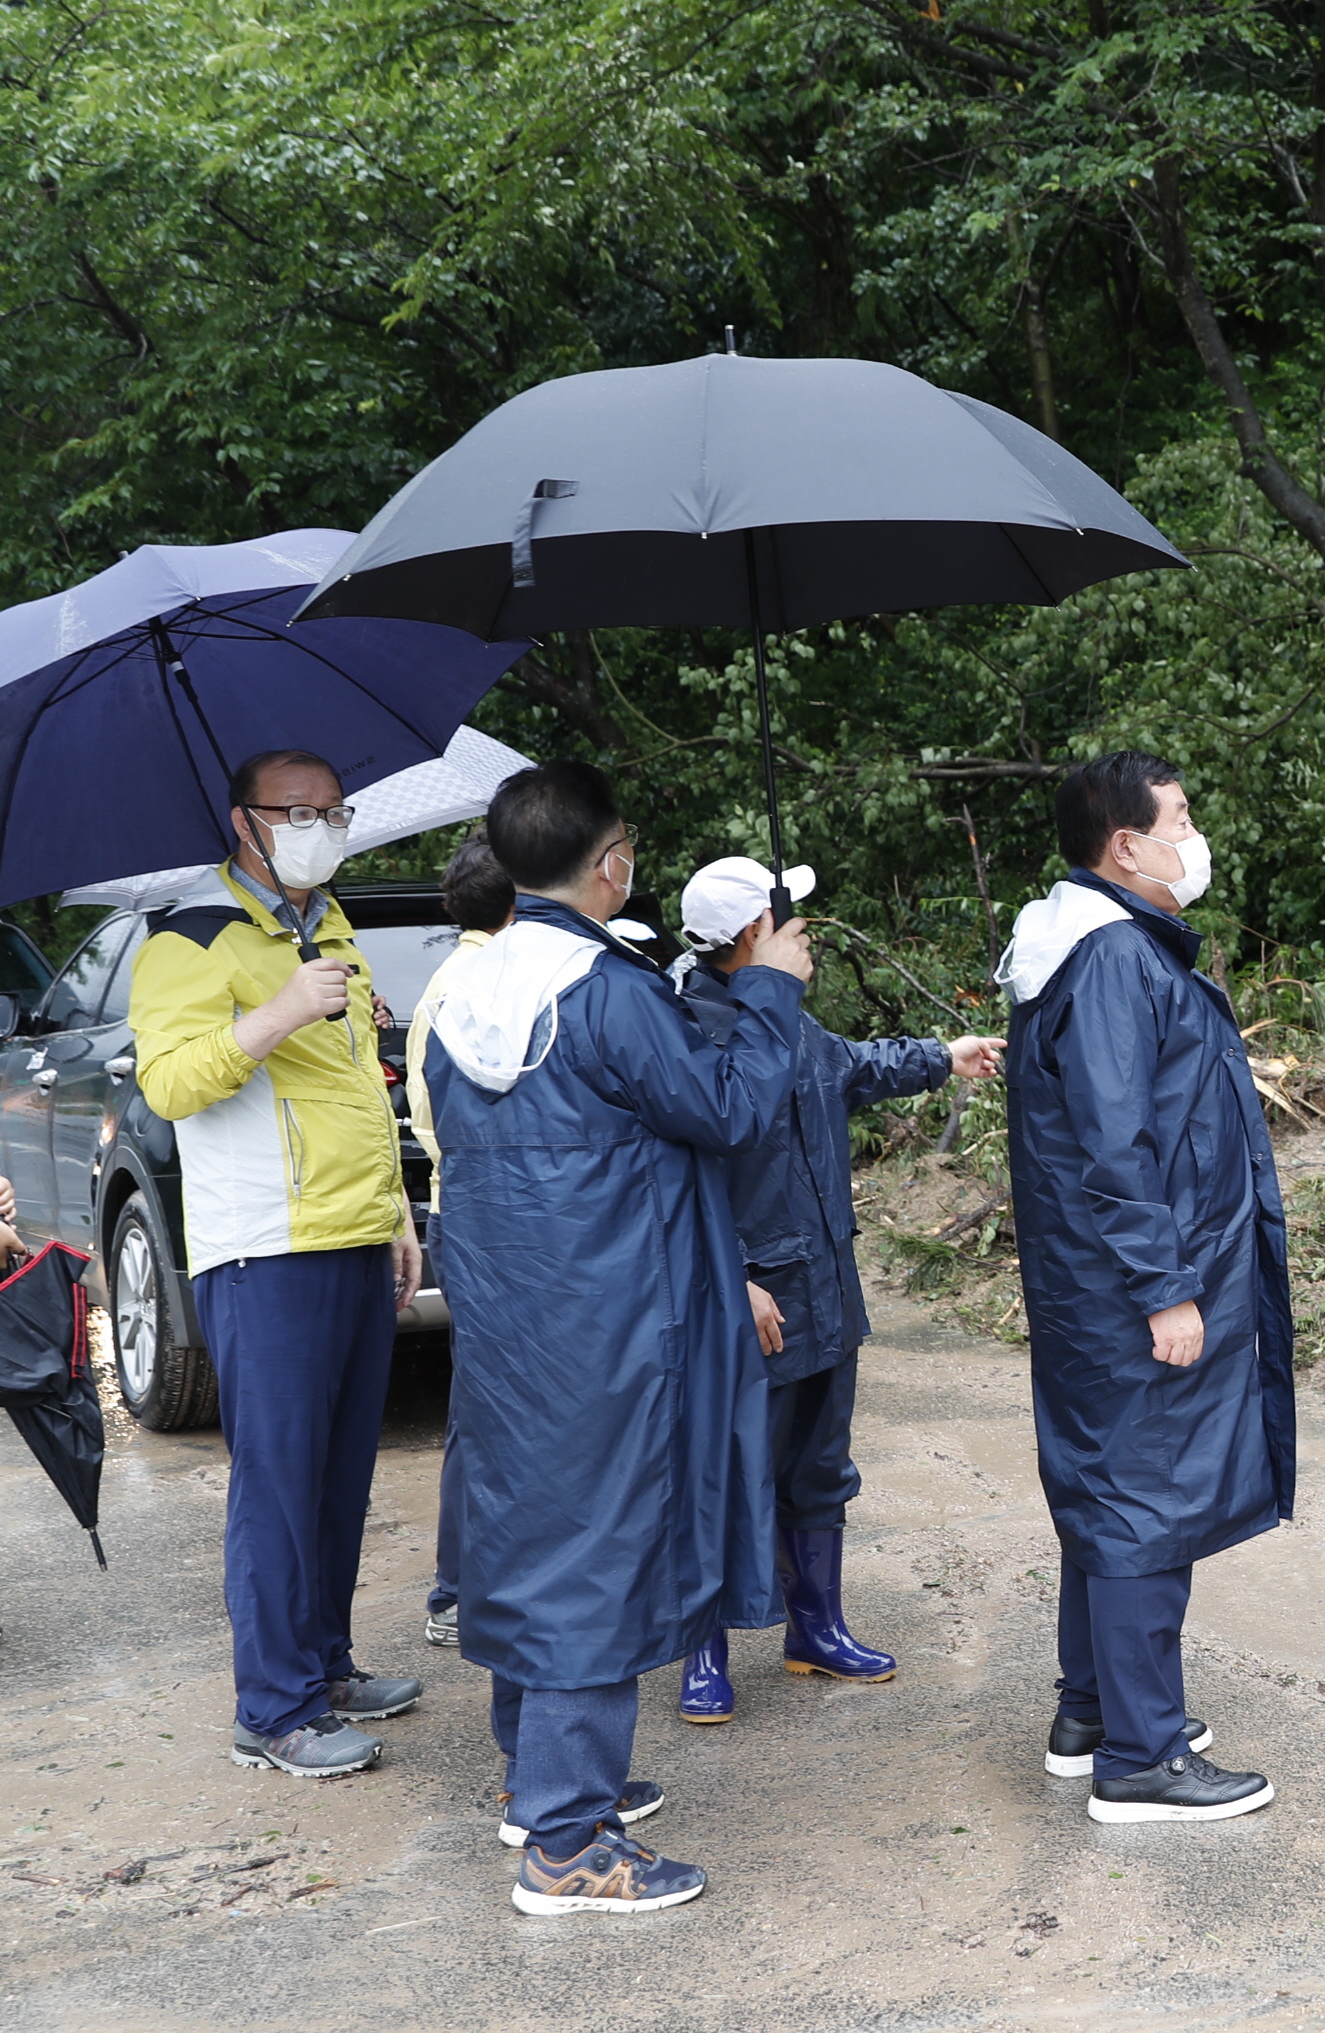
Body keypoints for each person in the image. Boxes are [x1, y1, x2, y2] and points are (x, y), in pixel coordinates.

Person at [421, 762, 809, 1916]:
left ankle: (534, 1780)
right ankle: (567, 1842)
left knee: (533, 1535)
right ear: (611, 863)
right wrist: (772, 987)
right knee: (597, 1556)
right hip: (616, 1319)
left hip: (515, 1319)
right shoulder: (604, 989)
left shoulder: (464, 992)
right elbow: (725, 1111)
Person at [998, 750, 1292, 1824]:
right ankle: (1142, 1758)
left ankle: (1092, 1713)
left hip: (1102, 1277)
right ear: (1125, 846)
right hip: (1132, 1282)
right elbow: (1115, 1143)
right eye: (1180, 819)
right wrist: (1166, 1288)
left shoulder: (1088, 944)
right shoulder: (1113, 957)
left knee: (1110, 1489)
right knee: (1142, 1502)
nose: (1192, 837)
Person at [130, 749, 426, 1782]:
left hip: (352, 1231)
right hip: (265, 1244)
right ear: (243, 822)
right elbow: (169, 1085)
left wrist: (394, 1214)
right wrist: (276, 1013)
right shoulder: (191, 936)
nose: (321, 828)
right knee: (278, 1481)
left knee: (339, 1476)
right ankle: (273, 1709)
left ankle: (324, 1666)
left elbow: (358, 1086)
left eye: (334, 812)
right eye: (297, 812)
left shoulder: (328, 923)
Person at [665, 854, 1005, 1722]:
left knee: (819, 1466)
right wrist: (729, 1277)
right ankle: (701, 1654)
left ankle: (815, 1630)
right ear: (753, 933)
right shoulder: (687, 1035)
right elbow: (674, 1183)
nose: (803, 931)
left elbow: (852, 1067)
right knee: (724, 1471)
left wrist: (943, 1056)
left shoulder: (791, 1020)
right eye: (787, 919)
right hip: (752, 1300)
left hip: (824, 1286)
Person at [404, 838, 514, 1653]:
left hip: (463, 1213)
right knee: (484, 1410)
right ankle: (455, 1592)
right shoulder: (482, 984)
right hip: (486, 1219)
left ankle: (467, 1586)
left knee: (483, 1405)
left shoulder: (451, 978)